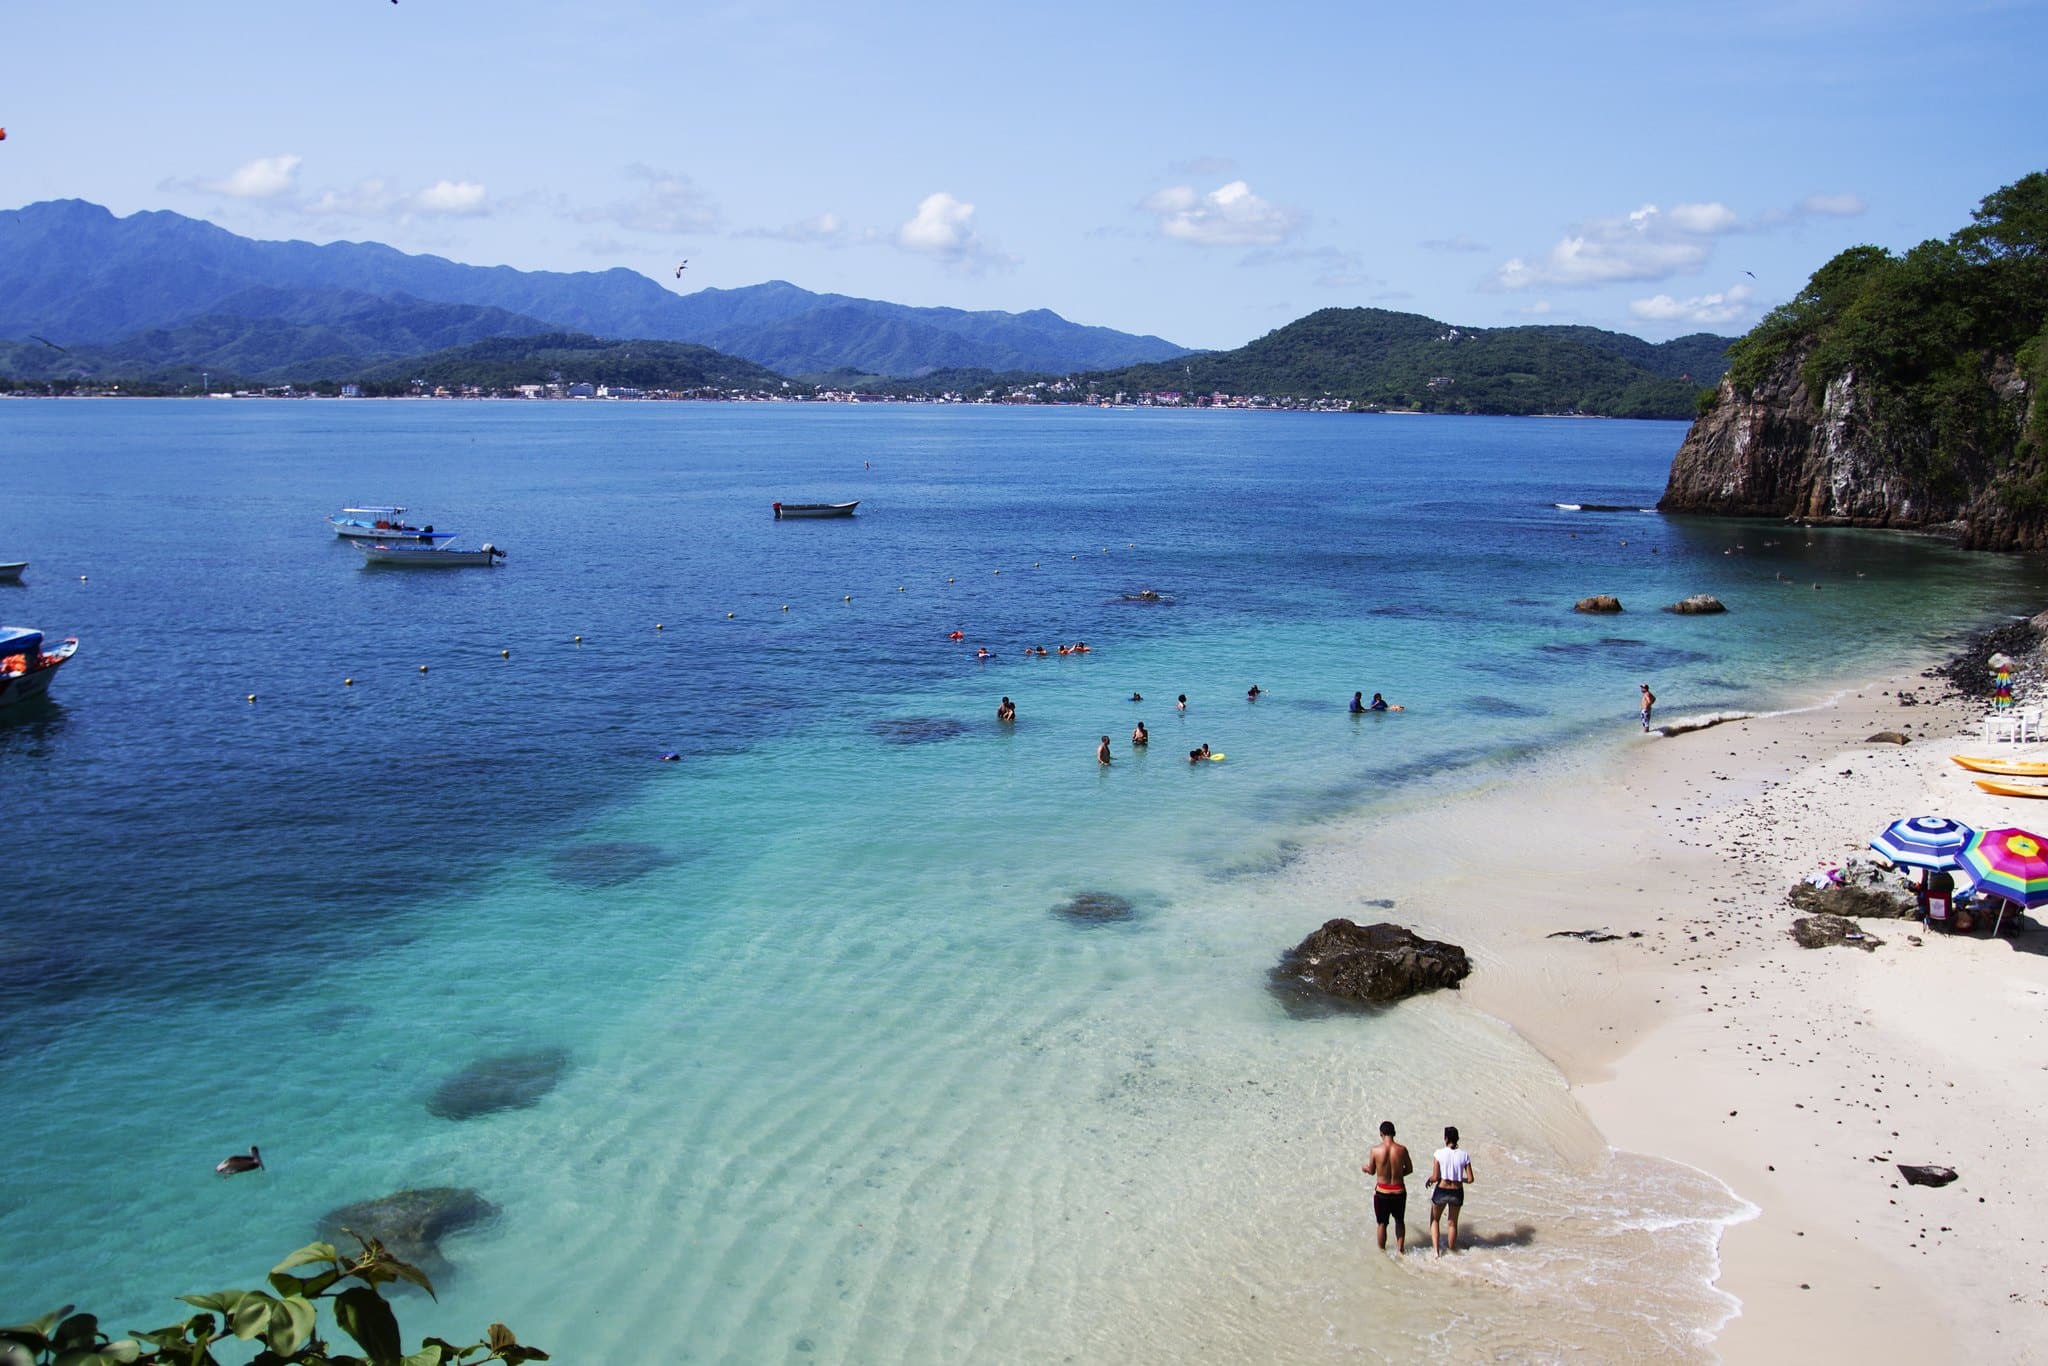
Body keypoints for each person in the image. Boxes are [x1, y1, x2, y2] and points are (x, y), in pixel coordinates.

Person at [1363, 1121, 1414, 1254]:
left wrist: (1366, 1169)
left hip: (1382, 1192)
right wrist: (1397, 1174)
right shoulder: (1402, 1150)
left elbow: (1372, 1171)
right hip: (1399, 1191)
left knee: (1382, 1224)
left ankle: (1382, 1253)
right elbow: (1409, 1169)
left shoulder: (1375, 1150)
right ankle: (1400, 1250)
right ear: (1394, 1133)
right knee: (1399, 1221)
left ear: (1381, 1134)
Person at [1426, 1126, 1474, 1259]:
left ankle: (1436, 1252)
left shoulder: (1438, 1153)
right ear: (1457, 1139)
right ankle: (1451, 1250)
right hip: (1457, 1191)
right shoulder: (1464, 1155)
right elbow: (1470, 1179)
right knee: (1452, 1223)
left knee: (1434, 1220)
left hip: (1442, 1190)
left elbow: (1435, 1177)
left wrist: (1429, 1180)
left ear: (1445, 1139)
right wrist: (1460, 1179)